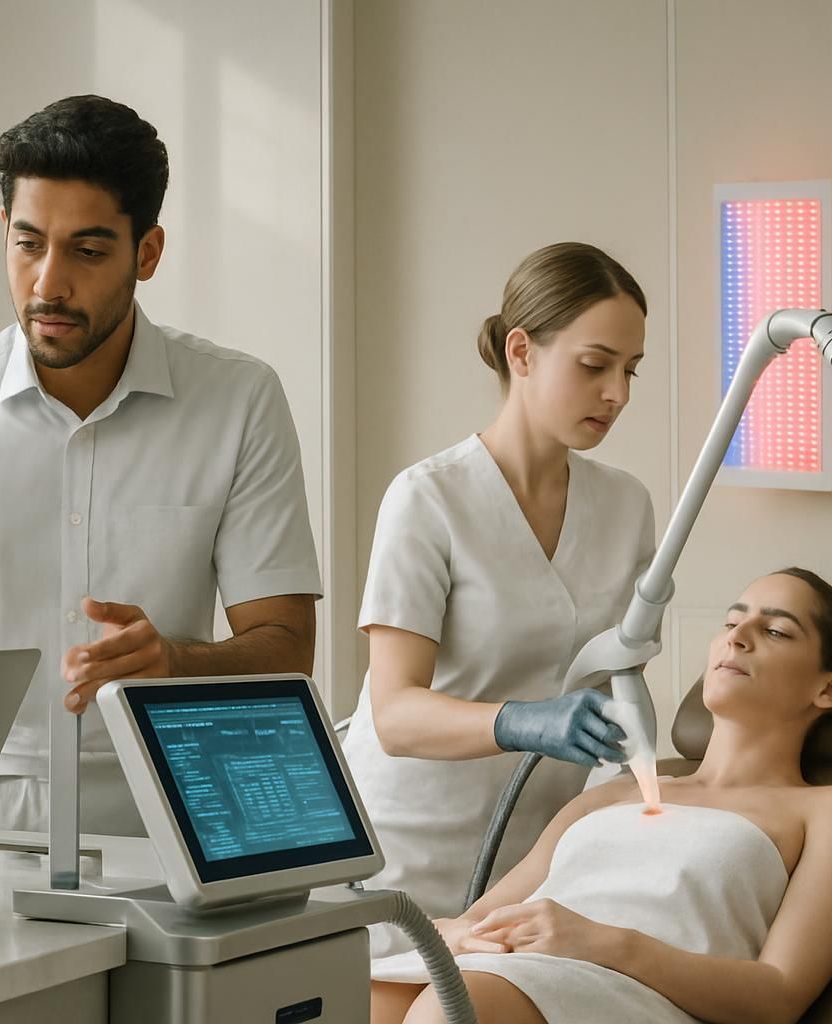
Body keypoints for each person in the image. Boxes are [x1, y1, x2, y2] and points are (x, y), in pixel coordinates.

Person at [0, 95, 322, 835]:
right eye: (29, 244)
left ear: (147, 253)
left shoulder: (239, 400)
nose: (47, 285)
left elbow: (287, 651)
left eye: (87, 252)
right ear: (5, 232)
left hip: (181, 809)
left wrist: (173, 663)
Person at [372, 568, 832, 1024]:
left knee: (452, 1006)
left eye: (774, 630)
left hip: (636, 993)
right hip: (507, 969)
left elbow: (779, 996)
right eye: (730, 623)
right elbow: (474, 920)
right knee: (340, 996)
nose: (738, 638)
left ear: (829, 689)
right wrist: (459, 937)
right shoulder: (617, 792)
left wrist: (600, 942)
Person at [341, 242, 656, 956]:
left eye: (630, 370)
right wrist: (523, 722)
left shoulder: (626, 507)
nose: (618, 394)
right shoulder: (429, 499)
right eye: (594, 365)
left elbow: (623, 685)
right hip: (400, 856)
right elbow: (394, 715)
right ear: (522, 352)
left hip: (532, 867)